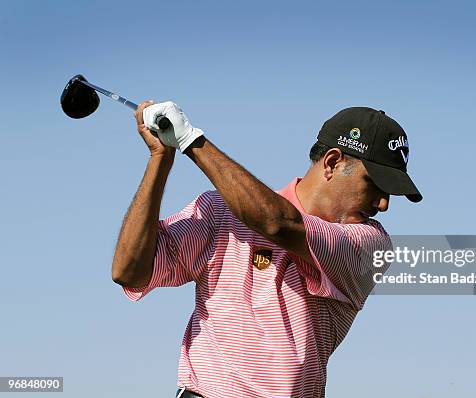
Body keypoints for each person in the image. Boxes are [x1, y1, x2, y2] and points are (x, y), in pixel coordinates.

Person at [111, 101, 422, 398]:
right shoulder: (219, 212)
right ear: (332, 163)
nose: (383, 204)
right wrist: (160, 161)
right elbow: (130, 271)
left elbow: (277, 223)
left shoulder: (370, 244)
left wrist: (191, 140)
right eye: (375, 185)